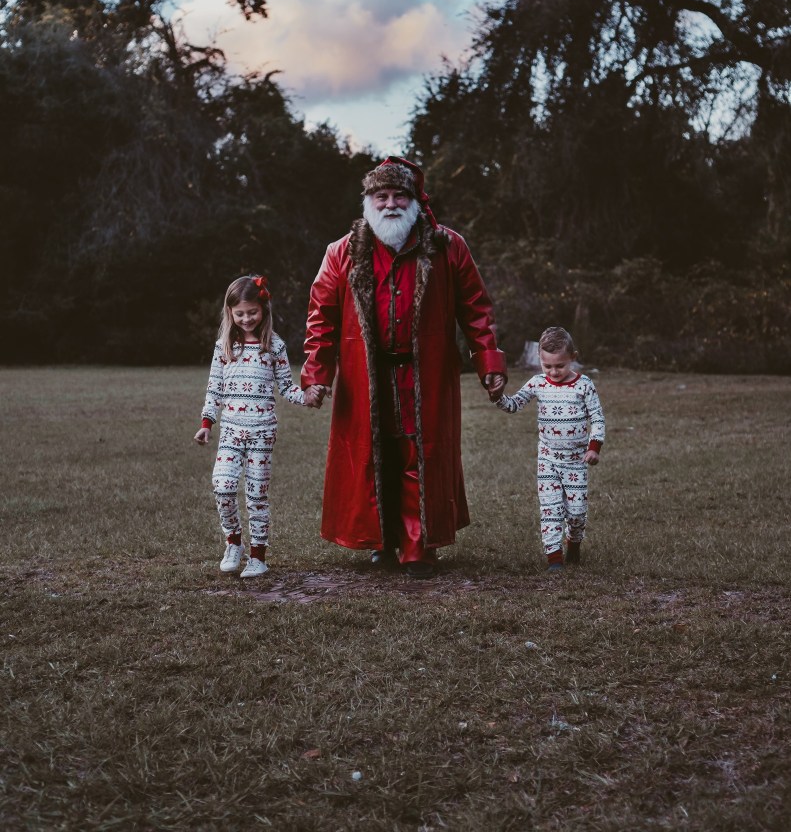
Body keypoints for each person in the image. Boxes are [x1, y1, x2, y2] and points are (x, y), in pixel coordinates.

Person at [301, 157, 507, 578]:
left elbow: (476, 309)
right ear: (369, 201)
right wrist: (316, 375)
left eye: (400, 195)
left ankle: (418, 547)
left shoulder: (447, 246)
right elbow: (321, 317)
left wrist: (488, 361)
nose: (391, 203)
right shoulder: (341, 252)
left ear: (414, 200)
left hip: (426, 373)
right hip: (365, 373)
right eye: (382, 195)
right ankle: (380, 541)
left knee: (420, 452)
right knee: (376, 454)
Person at [194, 274, 308, 578]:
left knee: (257, 494)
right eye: (240, 313)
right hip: (230, 431)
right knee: (223, 485)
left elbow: (286, 387)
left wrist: (307, 396)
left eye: (252, 312)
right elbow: (214, 388)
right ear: (230, 312)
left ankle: (258, 555)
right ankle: (234, 543)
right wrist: (207, 423)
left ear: (264, 310)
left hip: (262, 432)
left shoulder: (275, 347)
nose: (246, 318)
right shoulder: (224, 347)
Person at [490, 325, 605, 571]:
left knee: (576, 512)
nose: (553, 371)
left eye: (560, 366)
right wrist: (498, 395)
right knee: (551, 509)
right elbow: (514, 405)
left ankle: (573, 543)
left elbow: (597, 418)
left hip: (576, 461)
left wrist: (594, 447)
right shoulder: (537, 383)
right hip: (548, 460)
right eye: (547, 366)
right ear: (540, 360)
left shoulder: (584, 385)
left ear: (573, 358)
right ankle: (554, 558)